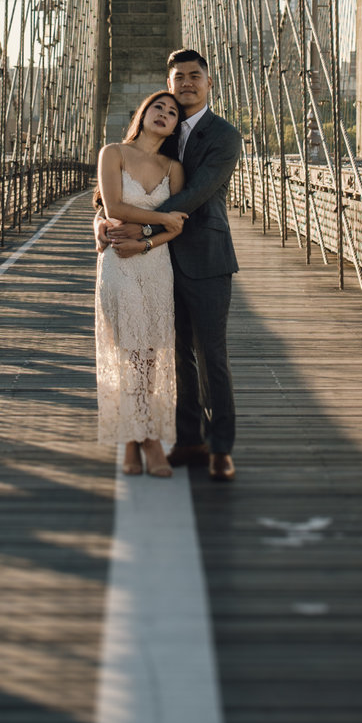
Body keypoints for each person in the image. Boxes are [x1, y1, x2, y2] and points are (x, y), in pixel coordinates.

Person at [101, 48, 241, 481]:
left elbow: (196, 193)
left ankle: (220, 448)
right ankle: (188, 439)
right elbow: (113, 192)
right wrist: (102, 223)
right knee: (174, 357)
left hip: (204, 257)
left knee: (210, 354)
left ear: (209, 82)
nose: (186, 84)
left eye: (194, 75)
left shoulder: (224, 135)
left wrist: (138, 230)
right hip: (158, 264)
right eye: (178, 77)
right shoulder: (163, 129)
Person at [94, 91, 189, 476]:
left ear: (175, 126)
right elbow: (112, 207)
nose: (165, 113)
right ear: (143, 113)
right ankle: (148, 439)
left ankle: (134, 440)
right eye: (158, 107)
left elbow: (177, 226)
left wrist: (147, 239)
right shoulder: (112, 153)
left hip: (155, 264)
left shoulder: (173, 168)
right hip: (119, 264)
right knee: (130, 351)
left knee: (148, 354)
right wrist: (158, 220)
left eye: (172, 112)